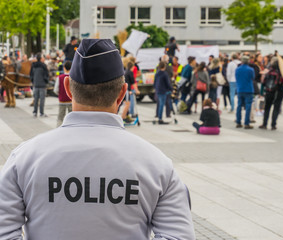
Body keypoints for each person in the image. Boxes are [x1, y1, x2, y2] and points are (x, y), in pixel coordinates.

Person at [0, 39, 195, 240]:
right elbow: (179, 236)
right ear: (122, 93)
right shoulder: (157, 165)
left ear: (67, 87)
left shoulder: (24, 158)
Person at [259, 57, 283, 130]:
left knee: (267, 107)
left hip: (269, 91)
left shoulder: (268, 70)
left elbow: (263, 81)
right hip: (278, 91)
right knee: (276, 108)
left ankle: (264, 123)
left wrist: (263, 90)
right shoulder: (281, 71)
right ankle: (273, 124)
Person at [235, 55, 255, 129]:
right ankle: (246, 123)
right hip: (248, 89)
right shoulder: (250, 69)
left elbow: (236, 78)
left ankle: (238, 122)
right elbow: (253, 77)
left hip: (240, 89)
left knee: (239, 106)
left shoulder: (237, 69)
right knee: (248, 106)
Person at [54, 61, 72, 127]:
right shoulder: (73, 77)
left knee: (60, 117)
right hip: (71, 101)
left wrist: (60, 94)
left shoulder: (59, 77)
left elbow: (56, 90)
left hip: (62, 101)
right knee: (72, 116)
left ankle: (58, 128)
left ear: (64, 68)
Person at [30, 53, 49, 117]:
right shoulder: (44, 66)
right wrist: (46, 81)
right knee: (42, 100)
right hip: (42, 85)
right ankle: (41, 113)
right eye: (43, 57)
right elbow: (46, 75)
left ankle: (35, 112)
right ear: (41, 59)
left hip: (35, 84)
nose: (44, 58)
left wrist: (33, 81)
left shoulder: (33, 65)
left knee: (35, 99)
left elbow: (31, 75)